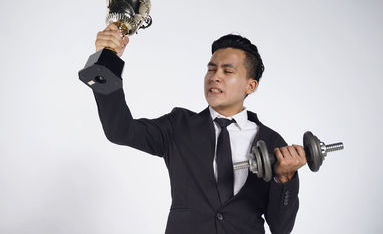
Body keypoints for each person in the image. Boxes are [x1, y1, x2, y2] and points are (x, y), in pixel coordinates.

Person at [92, 23, 307, 234]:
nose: (215, 76)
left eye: (227, 71)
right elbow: (120, 130)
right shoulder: (178, 125)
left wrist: (285, 178)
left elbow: (281, 228)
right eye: (211, 69)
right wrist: (107, 61)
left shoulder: (272, 141)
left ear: (250, 85)